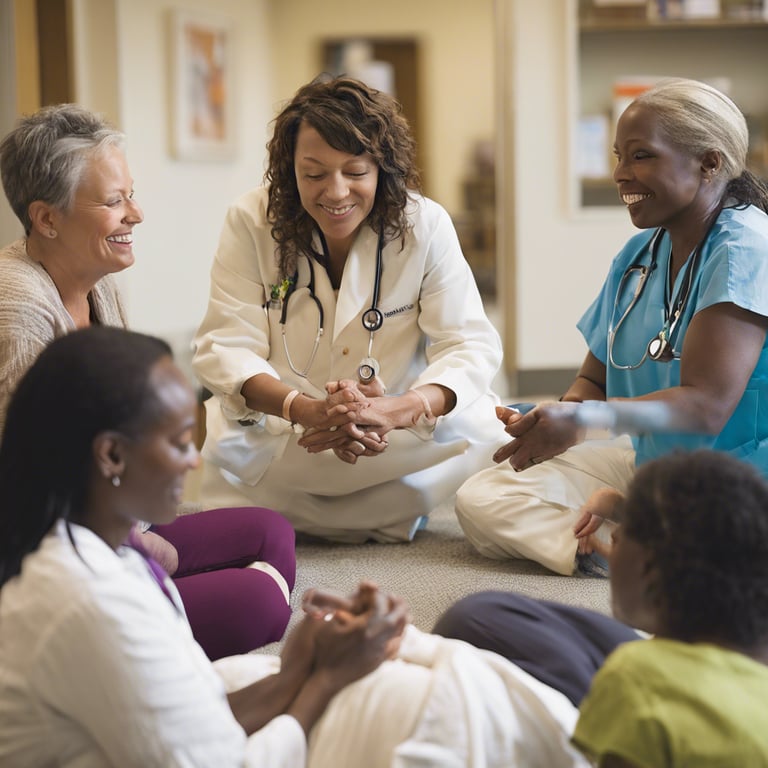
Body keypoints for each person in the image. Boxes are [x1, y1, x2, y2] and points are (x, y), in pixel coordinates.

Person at [0, 326, 590, 768]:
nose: (194, 460)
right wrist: (322, 682)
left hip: (218, 724)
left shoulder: (94, 553)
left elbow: (195, 714)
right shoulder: (86, 601)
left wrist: (298, 665)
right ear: (110, 456)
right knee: (444, 699)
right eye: (180, 443)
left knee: (436, 673)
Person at [0, 103, 296, 659]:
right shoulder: (16, 304)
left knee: (270, 533)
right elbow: (30, 480)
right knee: (257, 603)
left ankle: (159, 622)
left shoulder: (97, 278)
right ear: (46, 218)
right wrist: (135, 545)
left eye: (130, 194)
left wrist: (137, 536)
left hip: (110, 525)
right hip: (47, 558)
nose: (136, 213)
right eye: (115, 202)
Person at [454, 77, 768, 575]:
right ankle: (636, 543)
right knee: (483, 489)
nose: (621, 173)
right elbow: (594, 380)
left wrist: (584, 421)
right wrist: (556, 422)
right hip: (656, 467)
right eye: (618, 156)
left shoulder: (744, 250)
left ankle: (655, 545)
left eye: (641, 156)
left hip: (738, 479)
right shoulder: (640, 255)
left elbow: (705, 407)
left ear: (709, 163)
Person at [192, 75, 507, 543]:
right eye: (314, 174)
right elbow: (225, 346)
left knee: (490, 431)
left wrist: (401, 408)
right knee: (240, 479)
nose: (336, 192)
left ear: (383, 168)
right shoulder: (252, 221)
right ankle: (383, 512)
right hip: (290, 434)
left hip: (392, 434)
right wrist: (304, 409)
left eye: (355, 172)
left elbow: (468, 343)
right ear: (288, 169)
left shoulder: (424, 225)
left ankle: (383, 495)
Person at [436, 449, 768, 766]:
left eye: (622, 534)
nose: (613, 540)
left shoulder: (633, 678)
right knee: (478, 615)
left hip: (634, 695)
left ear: (650, 572)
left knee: (467, 634)